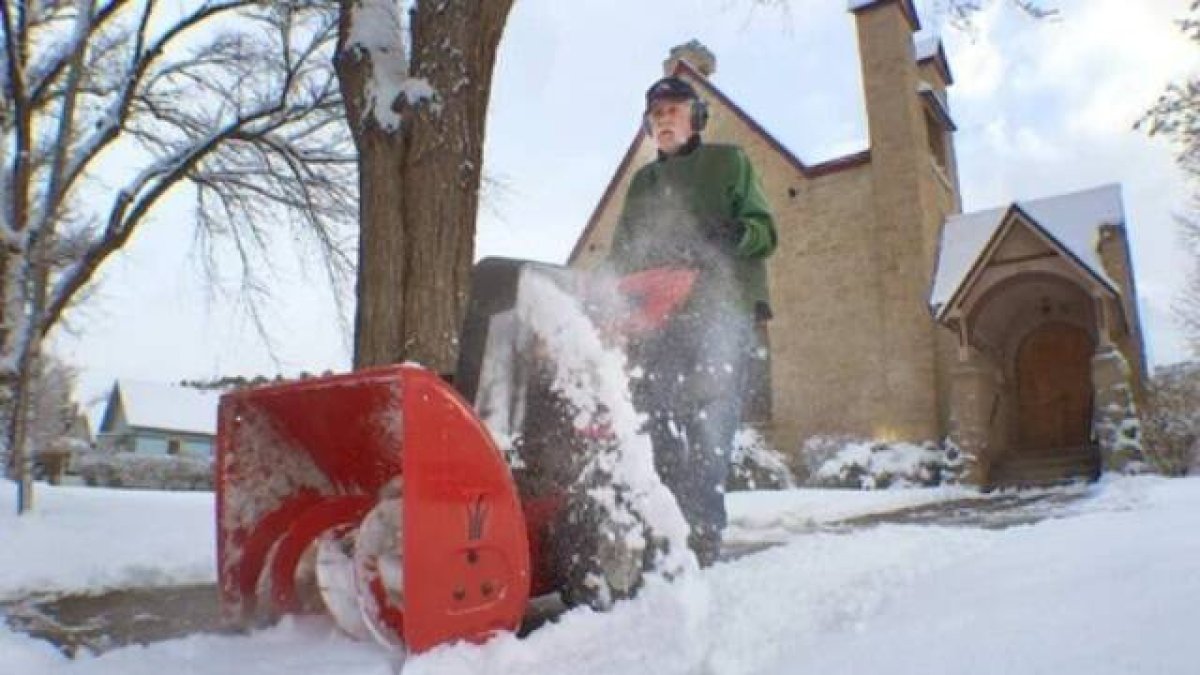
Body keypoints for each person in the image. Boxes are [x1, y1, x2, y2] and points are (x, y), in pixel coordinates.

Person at [605, 75, 777, 567]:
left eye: (673, 110)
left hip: (720, 309)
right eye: (656, 114)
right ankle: (665, 530)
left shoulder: (728, 163)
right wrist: (594, 292)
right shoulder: (644, 184)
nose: (663, 119)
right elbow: (620, 255)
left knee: (708, 422)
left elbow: (764, 230)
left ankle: (701, 539)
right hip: (659, 319)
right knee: (653, 418)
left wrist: (732, 236)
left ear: (696, 117)